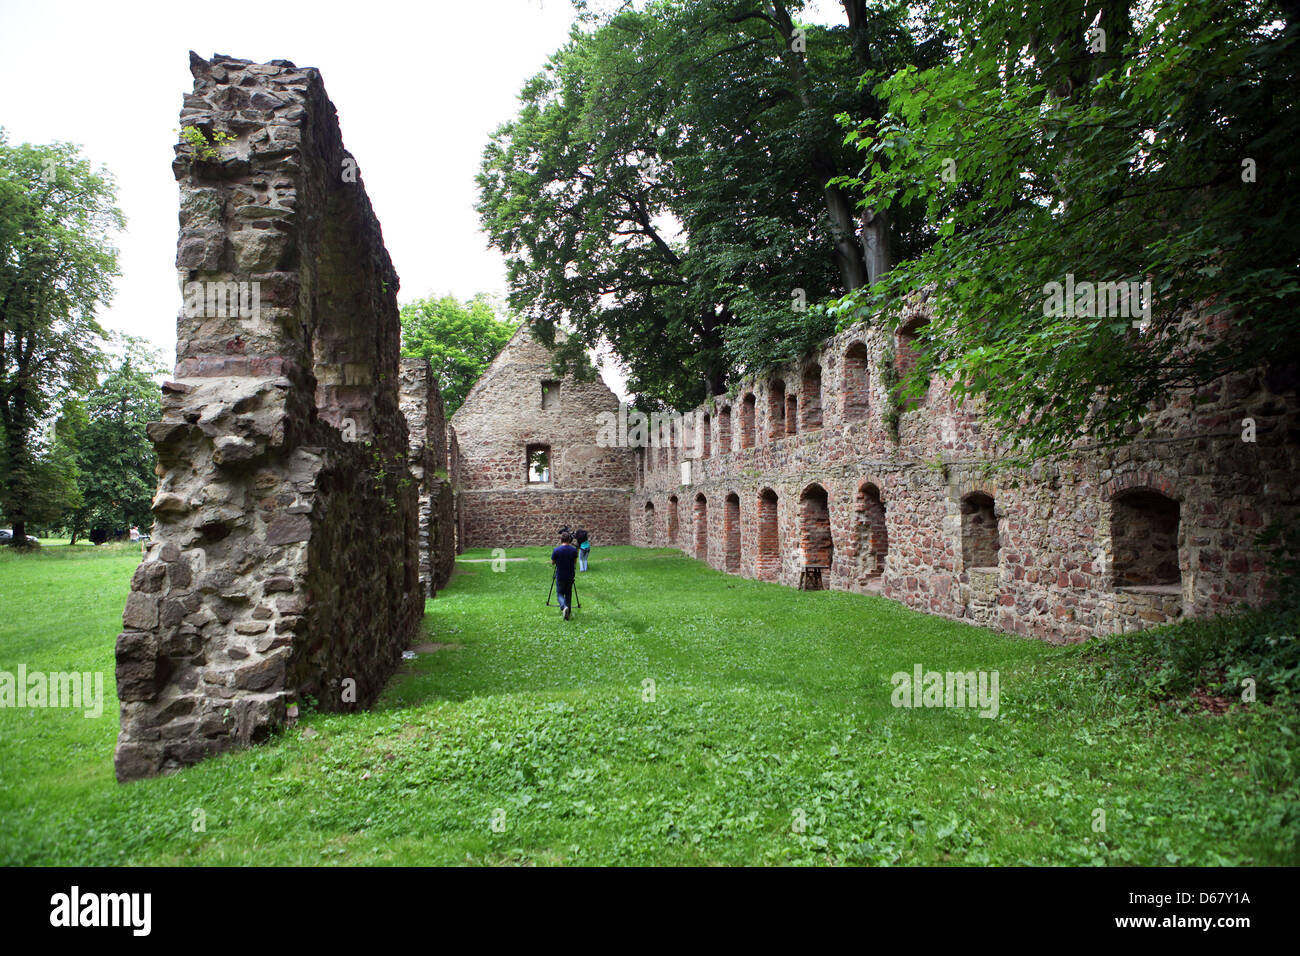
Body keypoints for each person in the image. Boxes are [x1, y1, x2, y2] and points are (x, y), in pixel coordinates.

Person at [551, 531, 579, 620]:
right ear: (569, 540)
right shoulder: (573, 550)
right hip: (570, 574)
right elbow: (575, 562)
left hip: (560, 574)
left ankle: (563, 607)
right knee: (568, 593)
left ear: (561, 539)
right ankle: (568, 610)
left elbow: (553, 562)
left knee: (559, 593)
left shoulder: (556, 550)